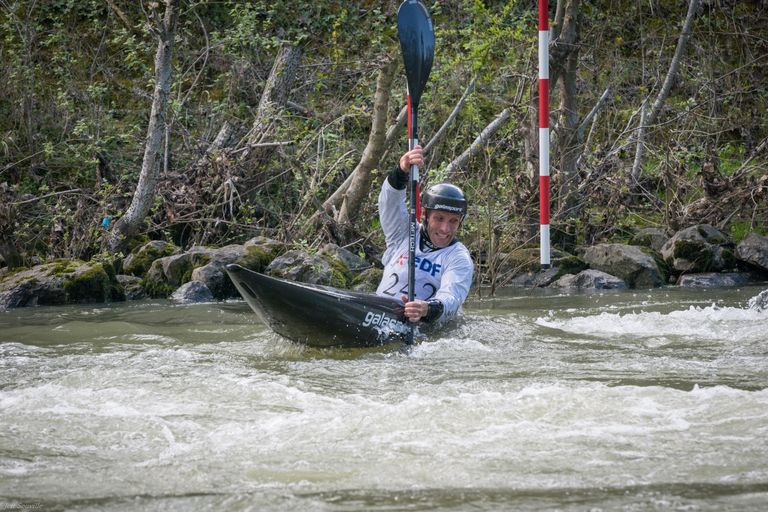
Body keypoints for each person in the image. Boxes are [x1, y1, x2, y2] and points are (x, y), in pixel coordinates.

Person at [376, 144, 473, 324]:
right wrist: (402, 170)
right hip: (376, 311)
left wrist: (427, 309)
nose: (445, 229)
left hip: (418, 328)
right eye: (439, 218)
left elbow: (452, 297)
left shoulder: (458, 257)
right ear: (425, 216)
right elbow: (389, 204)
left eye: (453, 221)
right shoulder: (404, 232)